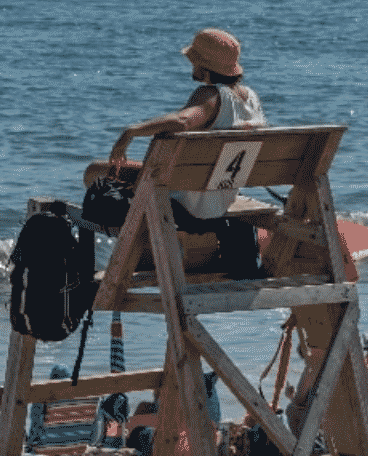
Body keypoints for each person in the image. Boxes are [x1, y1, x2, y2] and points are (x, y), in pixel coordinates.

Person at [93, 27, 269, 281]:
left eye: (194, 60)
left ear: (205, 66)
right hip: (222, 197)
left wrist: (131, 132)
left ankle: (142, 259)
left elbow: (182, 121)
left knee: (96, 172)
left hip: (189, 205)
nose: (191, 65)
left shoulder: (210, 96)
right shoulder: (251, 99)